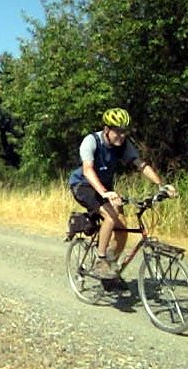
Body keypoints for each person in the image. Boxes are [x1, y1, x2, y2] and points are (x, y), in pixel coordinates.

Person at [68, 108, 175, 281]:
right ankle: (101, 261)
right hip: (83, 184)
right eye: (117, 131)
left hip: (105, 188)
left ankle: (110, 268)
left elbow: (140, 165)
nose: (121, 135)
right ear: (106, 129)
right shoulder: (91, 141)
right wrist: (105, 193)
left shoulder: (123, 145)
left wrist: (162, 185)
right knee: (110, 217)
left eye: (124, 131)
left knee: (122, 228)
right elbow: (88, 170)